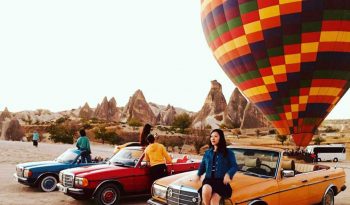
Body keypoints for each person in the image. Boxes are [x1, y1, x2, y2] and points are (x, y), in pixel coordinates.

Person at [195, 129, 238, 205]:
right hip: (208, 180)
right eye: (211, 136)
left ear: (220, 138)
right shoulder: (208, 152)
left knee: (214, 202)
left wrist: (228, 174)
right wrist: (198, 174)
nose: (213, 138)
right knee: (206, 189)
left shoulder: (228, 152)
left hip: (221, 182)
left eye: (215, 136)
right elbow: (203, 165)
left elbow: (234, 166)